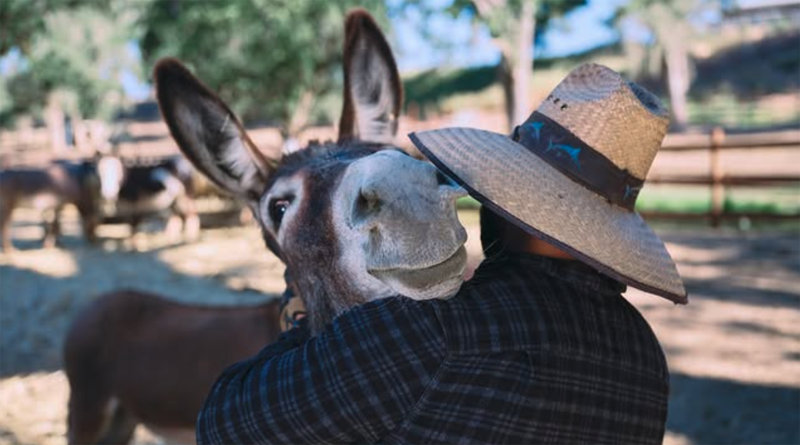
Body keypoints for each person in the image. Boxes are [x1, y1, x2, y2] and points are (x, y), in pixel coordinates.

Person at [195, 63, 687, 445]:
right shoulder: (645, 356)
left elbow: (223, 426)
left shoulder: (425, 333)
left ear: (510, 206)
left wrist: (306, 303)